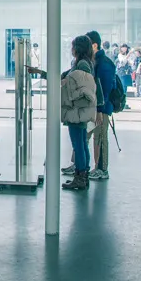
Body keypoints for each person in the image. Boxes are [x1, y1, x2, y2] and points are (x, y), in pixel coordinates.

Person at [58, 35, 98, 191]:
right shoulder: (85, 63)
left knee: (78, 144)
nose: (71, 49)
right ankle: (82, 175)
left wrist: (70, 97)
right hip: (79, 110)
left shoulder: (82, 65)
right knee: (81, 143)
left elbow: (82, 88)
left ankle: (80, 177)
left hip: (77, 110)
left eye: (73, 46)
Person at [86, 31, 115, 181]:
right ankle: (82, 165)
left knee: (100, 138)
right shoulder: (94, 61)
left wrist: (100, 110)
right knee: (86, 136)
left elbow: (105, 90)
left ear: (94, 45)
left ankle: (102, 169)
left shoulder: (104, 64)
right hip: (93, 108)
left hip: (101, 110)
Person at [116, 44, 133, 108]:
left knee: (125, 88)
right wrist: (129, 55)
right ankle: (122, 103)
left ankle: (124, 103)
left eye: (125, 47)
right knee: (122, 88)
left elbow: (131, 63)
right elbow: (123, 62)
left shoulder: (127, 55)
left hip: (127, 73)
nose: (124, 48)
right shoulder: (120, 55)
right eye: (123, 47)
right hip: (122, 73)